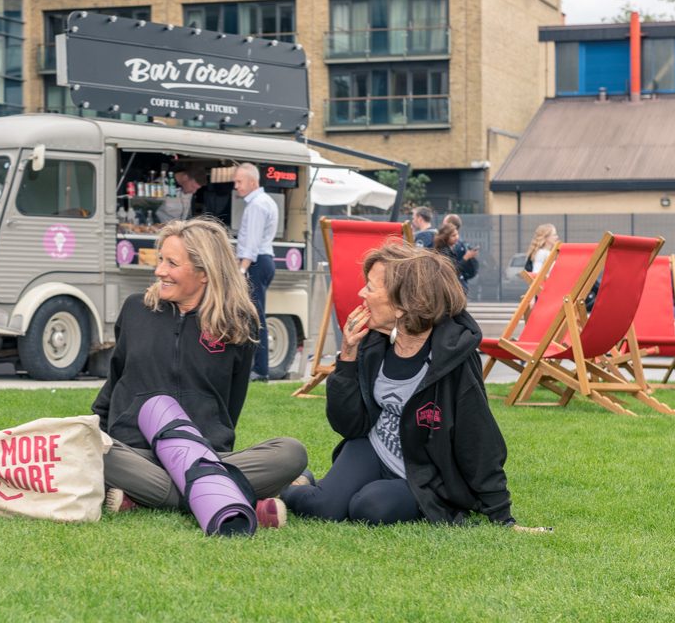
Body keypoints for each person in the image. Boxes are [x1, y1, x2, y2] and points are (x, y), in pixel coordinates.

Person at [281, 243, 521, 528]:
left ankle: (348, 489)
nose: (361, 294)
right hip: (371, 447)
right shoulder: (372, 342)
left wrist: (501, 515)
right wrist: (347, 356)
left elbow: (478, 437)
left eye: (370, 287)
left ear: (402, 303)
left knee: (370, 507)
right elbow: (348, 425)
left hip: (424, 471)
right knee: (323, 507)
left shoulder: (452, 357)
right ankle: (292, 483)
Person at [93, 217, 307, 526]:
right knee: (89, 450)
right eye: (160, 259)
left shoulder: (237, 323)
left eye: (171, 263)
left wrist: (202, 453)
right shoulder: (135, 309)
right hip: (136, 453)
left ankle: (148, 495)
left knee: (291, 453)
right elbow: (116, 380)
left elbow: (231, 405)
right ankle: (228, 496)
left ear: (203, 273)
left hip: (204, 456)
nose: (159, 271)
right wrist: (93, 433)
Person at [233, 162, 278, 381]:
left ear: (252, 181)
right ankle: (258, 367)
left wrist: (241, 270)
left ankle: (260, 370)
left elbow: (251, 243)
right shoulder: (264, 201)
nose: (236, 186)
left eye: (239, 181)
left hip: (255, 262)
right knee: (255, 314)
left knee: (255, 317)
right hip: (263, 260)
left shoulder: (257, 205)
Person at [434, 221, 477, 293]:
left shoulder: (449, 249)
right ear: (445, 238)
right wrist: (466, 258)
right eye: (453, 236)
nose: (457, 237)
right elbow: (453, 270)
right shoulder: (444, 251)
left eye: (457, 234)